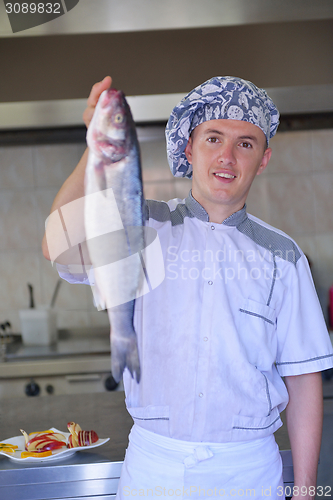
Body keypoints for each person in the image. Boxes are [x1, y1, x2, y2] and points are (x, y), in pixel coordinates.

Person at [42, 76, 333, 499]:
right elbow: (57, 244)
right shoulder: (138, 224)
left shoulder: (283, 256)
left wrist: (308, 492)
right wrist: (97, 144)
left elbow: (303, 378)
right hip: (152, 469)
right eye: (213, 138)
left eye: (245, 143)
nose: (227, 157)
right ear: (189, 147)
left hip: (247, 473)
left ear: (264, 158)